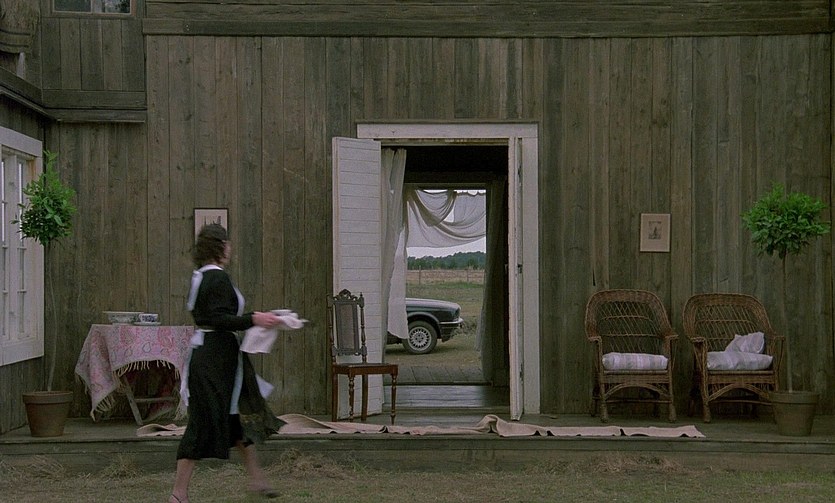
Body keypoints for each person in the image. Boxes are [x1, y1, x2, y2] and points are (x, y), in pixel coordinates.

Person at [170, 223, 284, 503]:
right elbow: (218, 319)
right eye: (227, 243)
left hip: (217, 357)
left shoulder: (202, 276)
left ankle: (257, 480)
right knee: (201, 423)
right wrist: (254, 319)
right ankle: (178, 494)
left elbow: (215, 317)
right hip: (214, 361)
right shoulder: (216, 278)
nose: (230, 248)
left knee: (236, 421)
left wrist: (255, 318)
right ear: (220, 247)